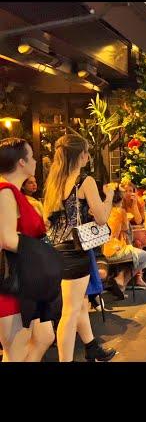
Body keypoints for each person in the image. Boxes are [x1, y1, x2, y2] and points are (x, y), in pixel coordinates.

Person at [44, 134, 116, 362]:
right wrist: (110, 196)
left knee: (80, 303)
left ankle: (92, 347)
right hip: (76, 252)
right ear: (80, 155)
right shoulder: (85, 181)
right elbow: (102, 218)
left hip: (56, 251)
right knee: (70, 312)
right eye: (87, 151)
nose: (88, 156)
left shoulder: (55, 182)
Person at [0, 138, 57, 362]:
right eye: (32, 156)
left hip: (28, 280)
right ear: (22, 162)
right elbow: (6, 238)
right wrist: (42, 252)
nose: (35, 160)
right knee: (16, 351)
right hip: (14, 282)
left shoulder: (13, 193)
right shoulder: (5, 192)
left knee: (44, 336)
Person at [102, 187, 146, 299]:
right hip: (114, 250)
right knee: (143, 256)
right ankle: (122, 283)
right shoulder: (121, 212)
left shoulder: (102, 213)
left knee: (132, 251)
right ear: (121, 199)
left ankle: (119, 280)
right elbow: (126, 230)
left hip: (101, 252)